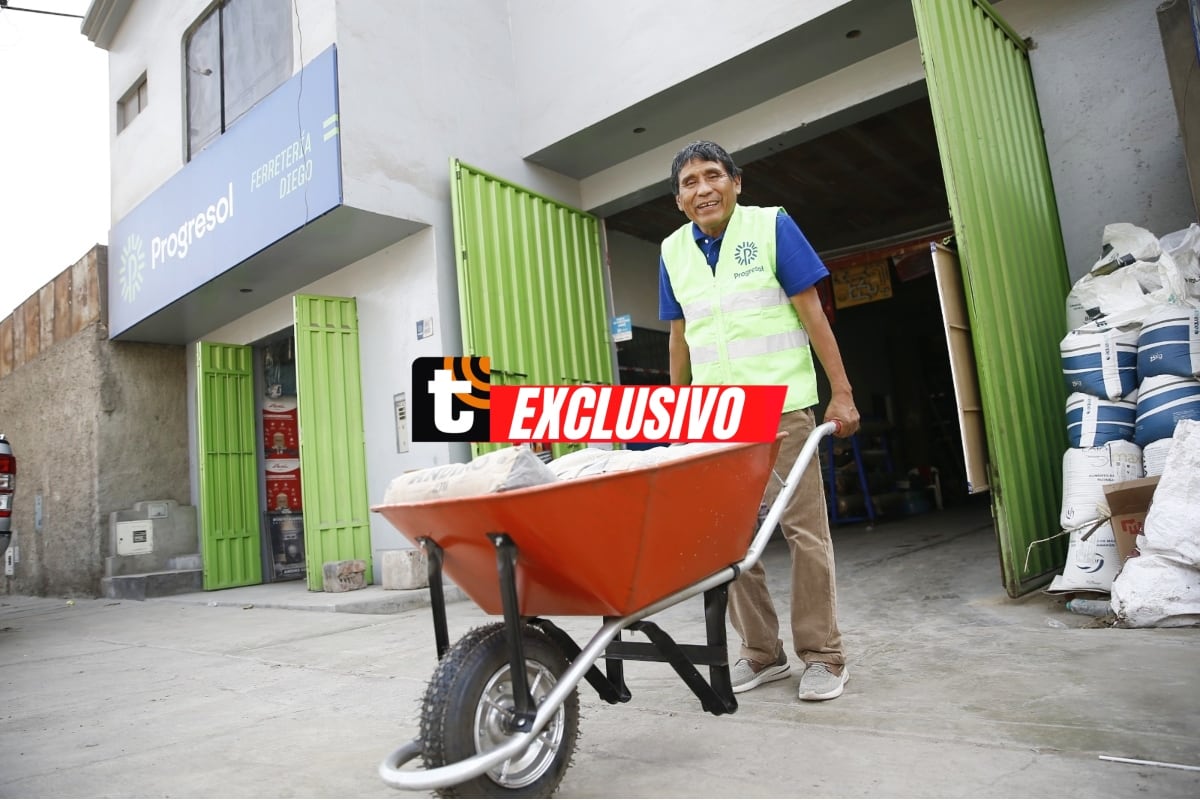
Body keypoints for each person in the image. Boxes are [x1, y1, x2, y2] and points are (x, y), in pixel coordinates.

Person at [658, 140, 861, 701]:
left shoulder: (772, 227)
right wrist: (679, 413)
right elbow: (679, 338)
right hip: (715, 419)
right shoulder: (673, 251)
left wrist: (840, 394)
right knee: (728, 539)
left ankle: (823, 655)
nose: (703, 190)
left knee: (804, 533)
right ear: (678, 200)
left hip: (781, 409)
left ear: (736, 183)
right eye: (690, 183)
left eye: (712, 176)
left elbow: (812, 313)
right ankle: (762, 652)